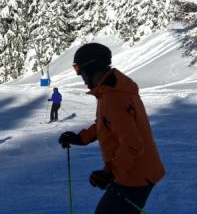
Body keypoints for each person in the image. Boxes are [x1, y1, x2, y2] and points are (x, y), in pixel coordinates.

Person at [58, 43, 165, 214]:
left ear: (92, 68)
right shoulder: (111, 90)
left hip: (134, 175)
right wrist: (81, 138)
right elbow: (107, 123)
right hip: (137, 170)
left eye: (80, 70)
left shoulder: (114, 98)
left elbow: (132, 144)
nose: (81, 77)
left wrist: (110, 172)